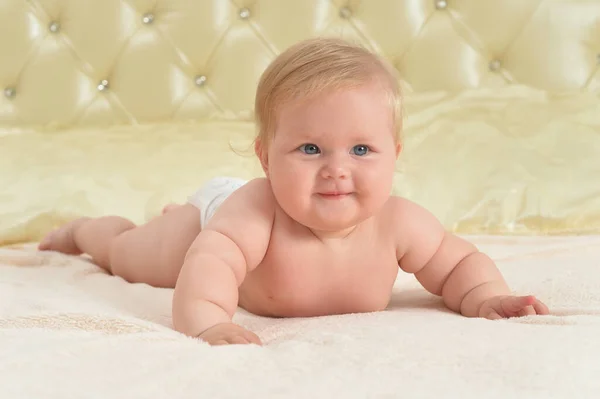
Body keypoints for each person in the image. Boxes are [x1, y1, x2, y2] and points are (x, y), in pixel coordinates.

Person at [38, 37, 549, 346]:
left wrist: (487, 296)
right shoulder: (255, 211)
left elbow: (460, 264)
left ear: (394, 153)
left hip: (239, 225)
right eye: (309, 149)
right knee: (131, 254)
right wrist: (210, 323)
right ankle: (86, 232)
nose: (335, 170)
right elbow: (208, 268)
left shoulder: (401, 223)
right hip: (212, 220)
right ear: (265, 157)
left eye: (361, 151)